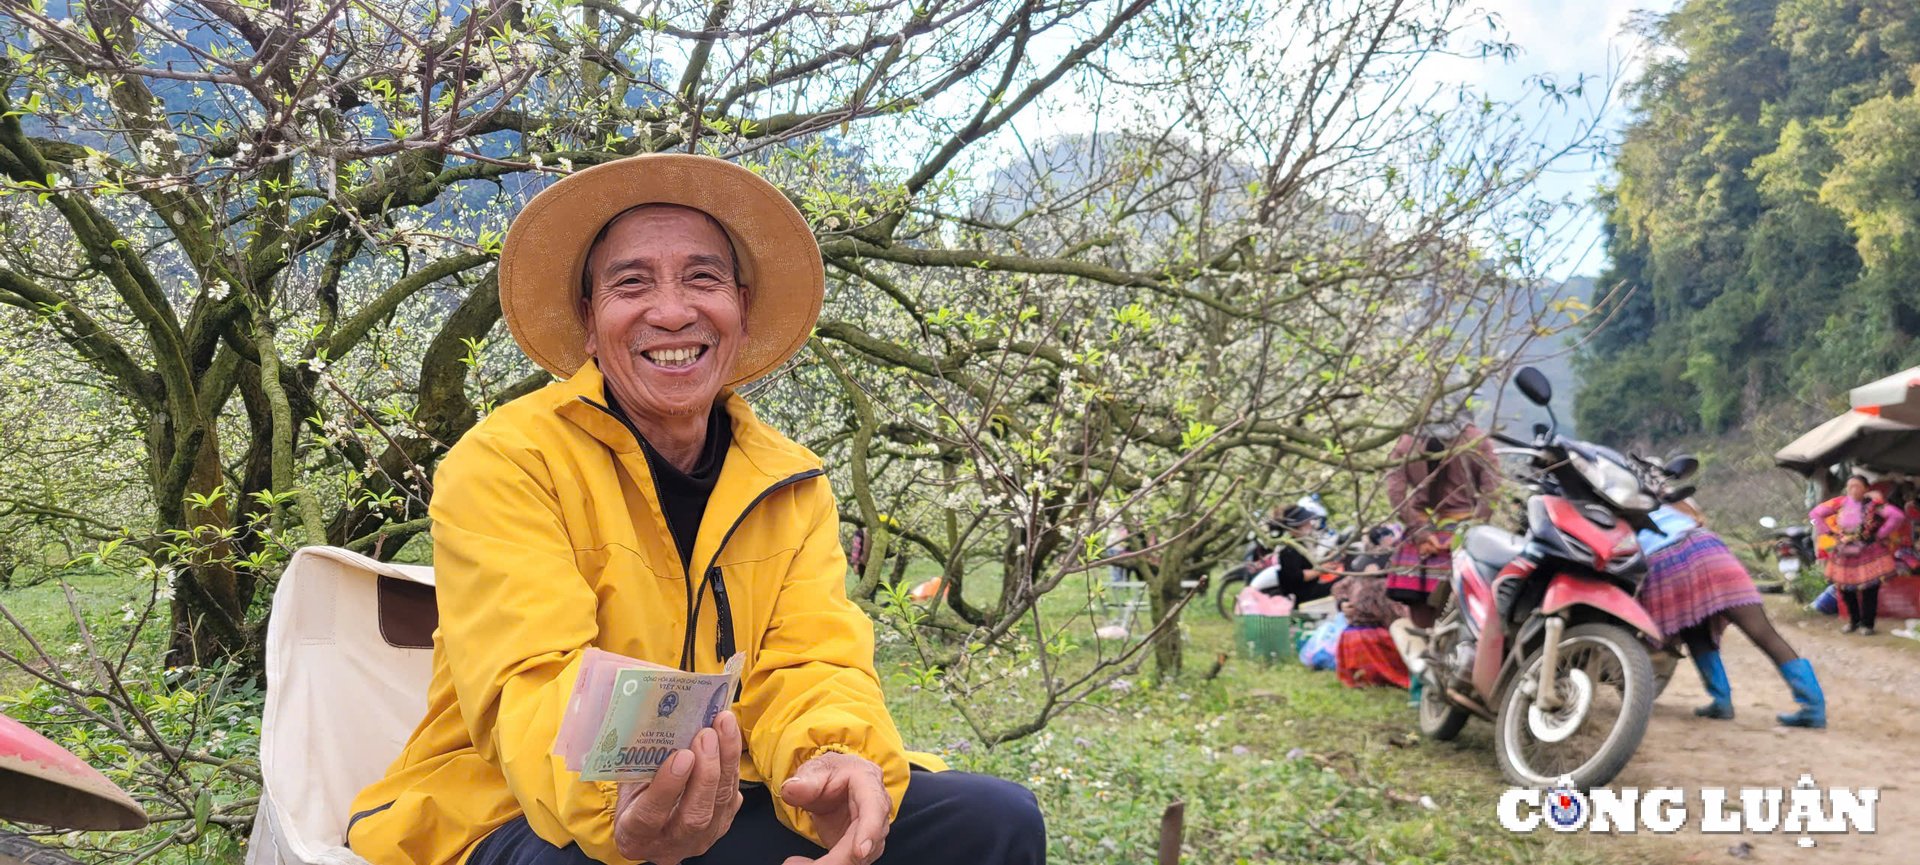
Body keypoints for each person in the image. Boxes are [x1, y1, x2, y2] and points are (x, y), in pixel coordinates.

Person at [347, 155, 1044, 865]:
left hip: (723, 789)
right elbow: (531, 680)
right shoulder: (506, 461)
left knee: (993, 819)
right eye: (632, 282)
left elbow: (808, 661)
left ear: (740, 311)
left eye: (703, 279)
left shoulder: (790, 481)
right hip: (517, 803)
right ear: (591, 322)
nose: (673, 310)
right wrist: (622, 804)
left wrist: (834, 756)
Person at [1637, 501, 1825, 728]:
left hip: (1664, 562)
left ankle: (1721, 700)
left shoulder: (1618, 501)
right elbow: (1698, 518)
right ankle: (1813, 706)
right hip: (1707, 547)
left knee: (1694, 632)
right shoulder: (1672, 499)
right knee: (1762, 632)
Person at [1383, 411, 1500, 629]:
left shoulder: (1407, 442)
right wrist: (1473, 528)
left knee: (1421, 617)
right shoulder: (1476, 440)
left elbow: (1395, 493)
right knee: (1467, 611)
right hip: (1461, 534)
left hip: (1420, 538)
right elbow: (1492, 492)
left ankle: (1426, 654)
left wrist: (1421, 533)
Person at [1811, 474, 1907, 636]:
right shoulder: (1840, 502)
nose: (1853, 489)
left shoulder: (1874, 505)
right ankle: (1853, 621)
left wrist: (1880, 534)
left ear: (1866, 489)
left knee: (1870, 589)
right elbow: (1815, 514)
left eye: (1857, 486)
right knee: (1846, 590)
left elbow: (1897, 516)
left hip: (1869, 551)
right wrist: (1830, 533)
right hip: (1844, 552)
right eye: (1850, 486)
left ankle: (1867, 624)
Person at [1332, 532, 1410, 689]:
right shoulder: (1381, 586)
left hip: (1348, 637)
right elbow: (1391, 615)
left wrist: (1342, 603)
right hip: (1370, 638)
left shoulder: (1355, 578)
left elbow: (1337, 587)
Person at [1248, 505, 1332, 605]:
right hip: (1301, 596)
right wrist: (1320, 570)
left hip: (1308, 589)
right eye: (1307, 522)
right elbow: (1296, 577)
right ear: (1298, 526)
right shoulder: (1289, 549)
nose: (1310, 524)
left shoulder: (1299, 544)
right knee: (1339, 584)